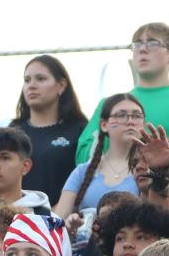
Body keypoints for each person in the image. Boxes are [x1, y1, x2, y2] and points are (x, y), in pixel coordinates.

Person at [77, 23, 169, 161]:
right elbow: (83, 156)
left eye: (152, 43)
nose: (142, 49)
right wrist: (120, 142)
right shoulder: (110, 104)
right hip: (118, 181)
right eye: (137, 44)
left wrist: (165, 155)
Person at [11, 55, 90, 204]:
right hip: (14, 220)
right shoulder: (10, 133)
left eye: (40, 79)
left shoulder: (80, 131)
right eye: (27, 80)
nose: (31, 85)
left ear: (61, 85)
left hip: (62, 221)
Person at [57, 93, 145, 221]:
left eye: (137, 116)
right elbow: (58, 221)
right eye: (121, 115)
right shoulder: (82, 172)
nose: (130, 121)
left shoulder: (149, 170)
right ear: (104, 125)